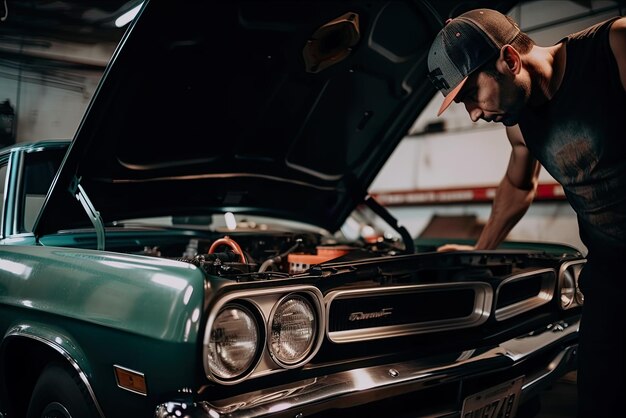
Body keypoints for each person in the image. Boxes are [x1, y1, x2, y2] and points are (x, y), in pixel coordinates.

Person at [426, 8, 626, 418]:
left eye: (470, 97)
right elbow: (518, 187)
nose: (475, 114)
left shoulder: (616, 48)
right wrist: (477, 253)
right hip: (611, 278)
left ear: (510, 60)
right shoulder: (518, 123)